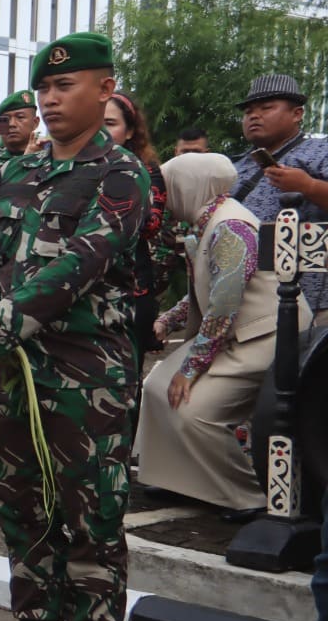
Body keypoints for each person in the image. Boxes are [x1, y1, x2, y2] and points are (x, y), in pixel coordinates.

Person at [0, 32, 148, 621]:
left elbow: (80, 266)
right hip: (14, 372)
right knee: (21, 510)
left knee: (91, 515)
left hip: (87, 372)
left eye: (66, 87)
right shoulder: (13, 173)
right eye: (45, 89)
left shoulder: (119, 174)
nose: (51, 99)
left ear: (104, 88)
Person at [138, 153, 304, 516]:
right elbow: (206, 289)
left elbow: (224, 305)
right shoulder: (206, 221)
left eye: (167, 188)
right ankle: (182, 480)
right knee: (155, 388)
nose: (161, 197)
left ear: (190, 186)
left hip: (265, 336)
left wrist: (190, 368)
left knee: (196, 410)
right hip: (230, 333)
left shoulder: (231, 225)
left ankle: (247, 495)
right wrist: (168, 319)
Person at [229, 74, 328, 317]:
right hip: (251, 302)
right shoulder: (236, 166)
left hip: (313, 297)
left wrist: (309, 186)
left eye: (266, 108)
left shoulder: (320, 150)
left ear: (297, 114)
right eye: (249, 111)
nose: (254, 115)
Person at [103, 89, 170, 359]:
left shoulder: (147, 171)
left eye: (110, 124)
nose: (101, 131)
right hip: (82, 291)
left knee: (126, 378)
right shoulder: (75, 167)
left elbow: (151, 225)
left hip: (131, 290)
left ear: (130, 131)